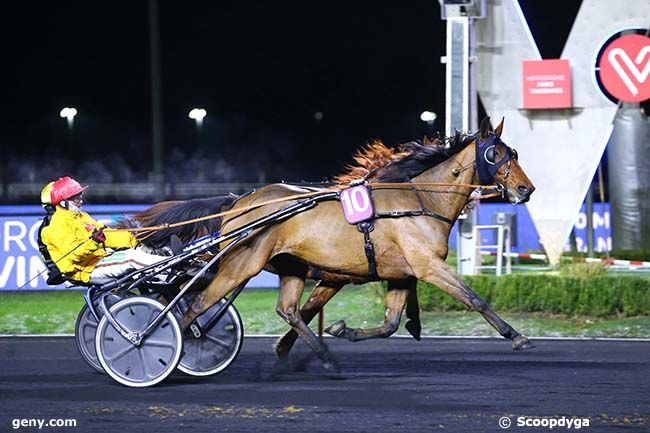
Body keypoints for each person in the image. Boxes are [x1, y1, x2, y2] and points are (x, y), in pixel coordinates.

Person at [39, 176, 173, 284]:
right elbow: (73, 254)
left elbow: (108, 235)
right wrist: (94, 242)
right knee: (131, 258)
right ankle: (170, 273)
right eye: (75, 198)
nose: (80, 200)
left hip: (99, 259)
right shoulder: (56, 226)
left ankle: (170, 264)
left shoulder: (82, 216)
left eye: (80, 195)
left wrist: (136, 239)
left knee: (140, 249)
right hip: (84, 270)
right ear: (63, 202)